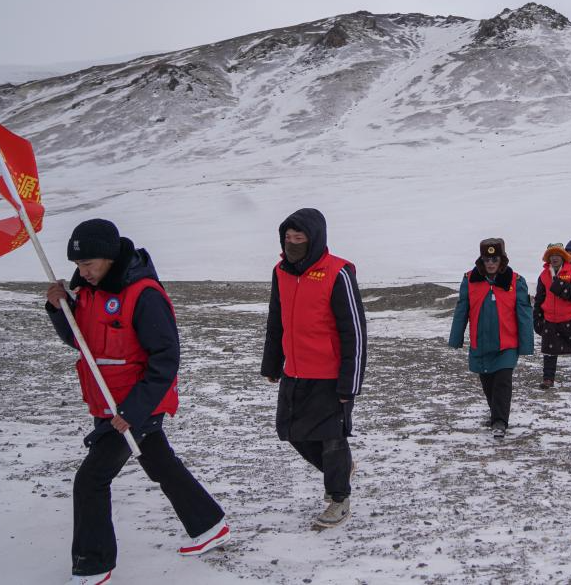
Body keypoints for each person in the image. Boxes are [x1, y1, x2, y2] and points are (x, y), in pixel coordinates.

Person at [45, 219, 228, 585]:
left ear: (110, 257)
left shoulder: (144, 295)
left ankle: (93, 567)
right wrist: (58, 309)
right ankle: (210, 525)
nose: (83, 271)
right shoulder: (89, 291)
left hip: (134, 407)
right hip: (107, 402)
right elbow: (82, 341)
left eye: (89, 264)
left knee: (91, 479)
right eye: (78, 265)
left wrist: (133, 412)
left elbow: (166, 359)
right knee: (160, 463)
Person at [261, 208, 367, 529]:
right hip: (295, 371)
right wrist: (272, 363)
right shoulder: (281, 272)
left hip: (330, 375)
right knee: (291, 432)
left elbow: (354, 332)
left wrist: (350, 383)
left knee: (331, 438)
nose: (292, 243)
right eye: (288, 238)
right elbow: (276, 320)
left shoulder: (338, 273)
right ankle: (341, 469)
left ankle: (339, 499)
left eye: (299, 238)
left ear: (315, 238)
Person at [448, 238, 534, 438]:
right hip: (481, 344)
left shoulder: (516, 282)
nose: (490, 263)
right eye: (486, 259)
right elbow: (462, 310)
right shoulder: (470, 280)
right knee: (488, 384)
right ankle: (496, 413)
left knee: (502, 381)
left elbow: (524, 314)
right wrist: (456, 338)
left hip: (507, 344)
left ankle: (500, 421)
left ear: (502, 259)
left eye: (494, 259)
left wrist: (526, 344)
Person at [533, 243, 571, 388]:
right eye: (551, 255)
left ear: (563, 257)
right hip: (550, 318)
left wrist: (560, 286)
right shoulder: (543, 275)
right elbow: (539, 298)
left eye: (557, 255)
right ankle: (548, 378)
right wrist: (537, 317)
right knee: (549, 350)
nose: (554, 258)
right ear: (548, 258)